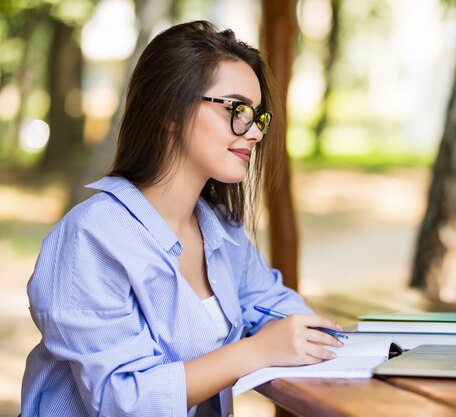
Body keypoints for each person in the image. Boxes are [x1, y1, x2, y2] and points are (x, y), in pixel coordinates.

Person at [21, 20, 343, 417]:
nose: (255, 133)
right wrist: (257, 349)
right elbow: (124, 401)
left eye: (257, 117)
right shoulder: (92, 237)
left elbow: (275, 307)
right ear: (170, 111)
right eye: (238, 110)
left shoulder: (219, 227)